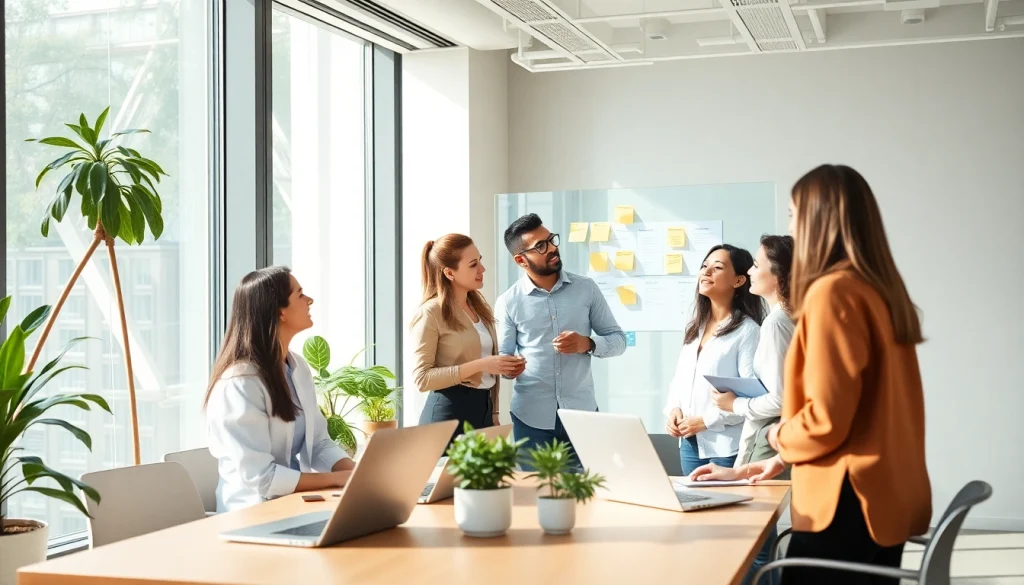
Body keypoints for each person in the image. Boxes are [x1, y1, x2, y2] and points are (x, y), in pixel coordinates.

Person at [691, 164, 932, 585]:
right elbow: (861, 410)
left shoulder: (832, 293)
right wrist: (782, 461)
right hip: (881, 499)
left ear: (815, 220)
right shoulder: (881, 291)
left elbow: (825, 419)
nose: (791, 226)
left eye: (792, 214)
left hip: (842, 503)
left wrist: (778, 439)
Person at [205, 266, 356, 513]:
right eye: (300, 294)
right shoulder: (240, 382)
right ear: (280, 312)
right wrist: (337, 479)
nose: (310, 300)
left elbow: (318, 442)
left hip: (294, 504)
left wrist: (354, 472)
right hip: (253, 513)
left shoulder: (296, 366)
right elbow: (261, 478)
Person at [495, 213, 626, 470]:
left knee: (590, 497)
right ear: (521, 260)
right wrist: (511, 366)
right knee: (537, 498)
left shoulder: (586, 288)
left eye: (551, 240)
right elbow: (504, 358)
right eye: (541, 246)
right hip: (531, 419)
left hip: (583, 416)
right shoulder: (508, 302)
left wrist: (587, 344)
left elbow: (618, 340)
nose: (552, 248)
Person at [711, 235, 796, 585]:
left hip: (766, 434)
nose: (749, 270)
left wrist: (736, 403)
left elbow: (780, 398)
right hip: (770, 434)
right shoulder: (789, 318)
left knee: (750, 539)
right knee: (760, 537)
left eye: (757, 265)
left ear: (778, 277)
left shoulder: (775, 324)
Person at [409, 234, 522, 446]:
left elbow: (486, 366)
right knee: (445, 481)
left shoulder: (479, 307)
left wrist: (494, 411)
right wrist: (483, 365)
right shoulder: (431, 313)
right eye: (473, 264)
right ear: (449, 273)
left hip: (482, 412)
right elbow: (422, 379)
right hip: (448, 416)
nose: (482, 269)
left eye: (480, 260)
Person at [664, 244, 765, 475]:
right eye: (704, 266)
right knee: (695, 509)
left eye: (717, 267)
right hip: (689, 444)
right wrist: (673, 409)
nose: (706, 272)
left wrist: (706, 421)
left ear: (739, 281)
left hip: (725, 448)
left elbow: (752, 395)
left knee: (726, 509)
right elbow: (680, 380)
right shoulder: (694, 327)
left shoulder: (747, 331)